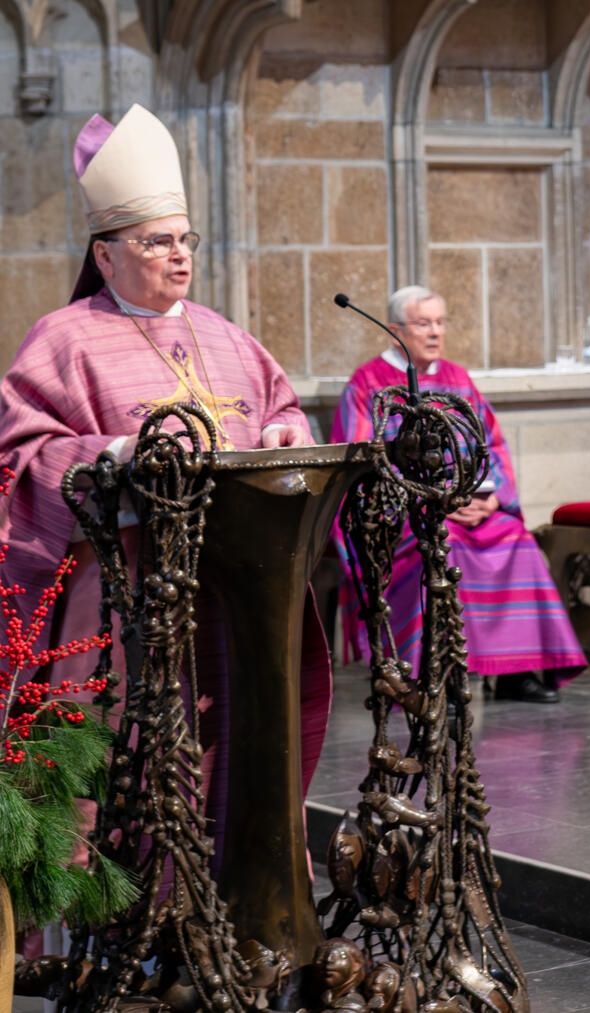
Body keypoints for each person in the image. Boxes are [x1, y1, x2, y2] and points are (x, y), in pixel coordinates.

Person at [0, 106, 328, 845]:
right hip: (122, 592)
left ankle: (230, 908)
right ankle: (115, 937)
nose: (180, 257)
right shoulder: (65, 337)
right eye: (157, 242)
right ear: (107, 255)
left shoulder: (227, 334)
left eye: (186, 239)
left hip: (234, 582)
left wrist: (285, 433)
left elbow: (282, 412)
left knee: (233, 751)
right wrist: (111, 456)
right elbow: (18, 457)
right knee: (129, 765)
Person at [331, 285, 587, 703]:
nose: (434, 332)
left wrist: (491, 498)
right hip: (407, 514)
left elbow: (492, 444)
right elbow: (364, 462)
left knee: (514, 539)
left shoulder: (457, 379)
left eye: (439, 322)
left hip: (470, 503)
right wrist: (435, 504)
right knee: (443, 548)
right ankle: (438, 678)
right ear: (395, 330)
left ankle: (512, 674)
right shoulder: (367, 384)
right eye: (423, 323)